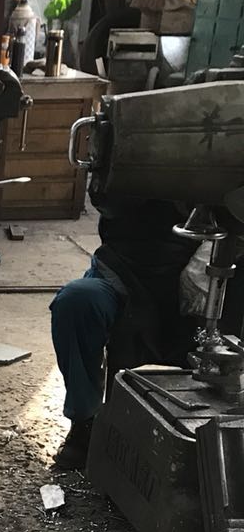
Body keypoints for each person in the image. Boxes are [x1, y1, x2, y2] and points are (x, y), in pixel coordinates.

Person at [50, 198, 197, 470]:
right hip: (121, 268)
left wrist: (208, 257)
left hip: (199, 269)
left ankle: (216, 432)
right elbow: (104, 198)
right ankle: (85, 423)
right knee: (77, 302)